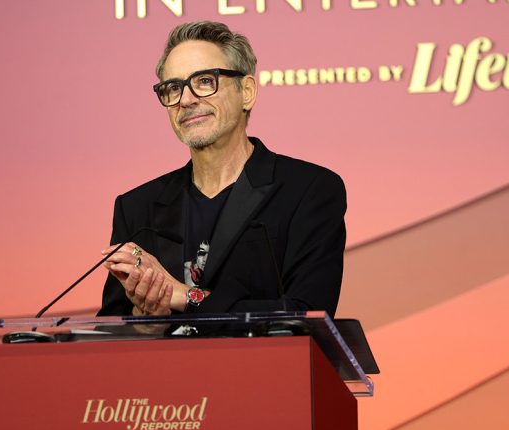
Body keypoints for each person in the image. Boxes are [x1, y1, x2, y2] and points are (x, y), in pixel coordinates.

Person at [97, 21, 346, 318]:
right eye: (173, 88)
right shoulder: (137, 209)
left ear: (247, 92)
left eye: (204, 81)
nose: (186, 100)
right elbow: (114, 325)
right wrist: (144, 316)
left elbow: (308, 314)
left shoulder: (308, 191)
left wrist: (184, 296)